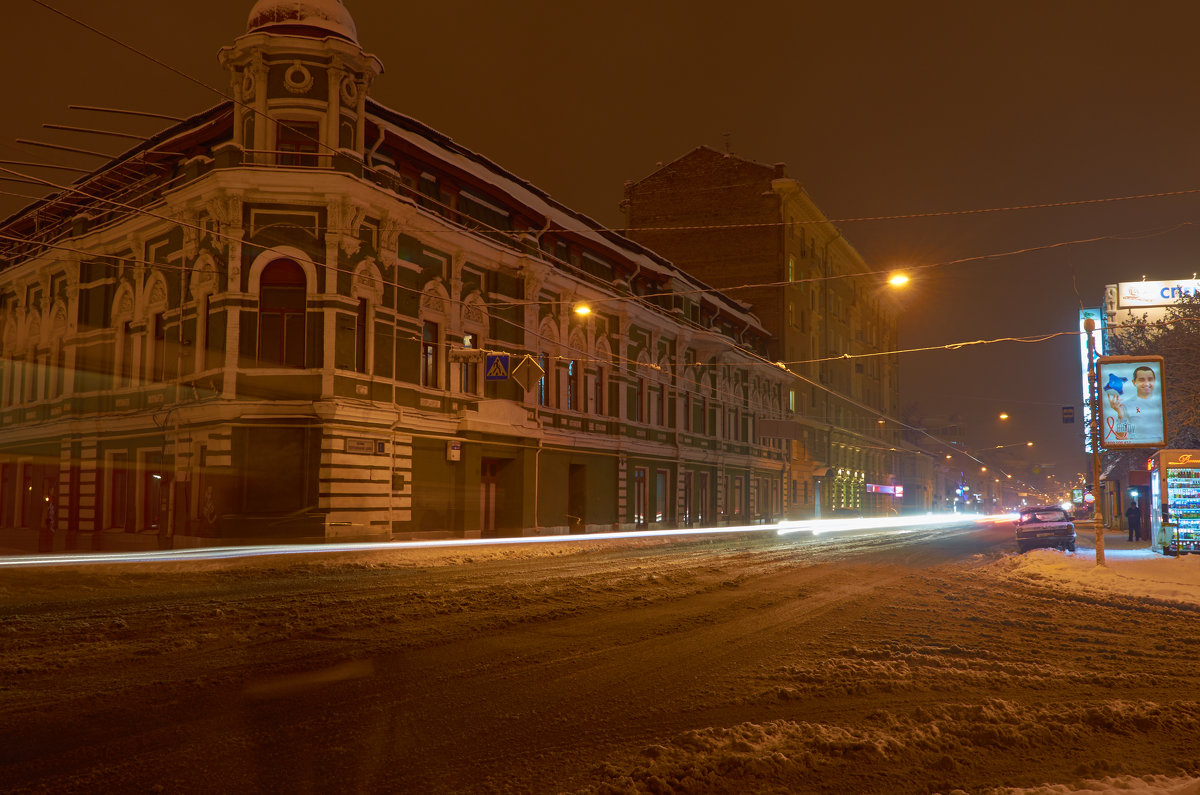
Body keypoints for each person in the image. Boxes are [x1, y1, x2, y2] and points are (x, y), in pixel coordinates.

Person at [1105, 366, 1162, 445]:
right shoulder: (1126, 405)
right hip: (1139, 451)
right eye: (1141, 380)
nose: (1146, 383)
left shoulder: (1162, 403)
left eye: (1150, 379)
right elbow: (1120, 438)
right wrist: (1120, 416)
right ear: (1134, 382)